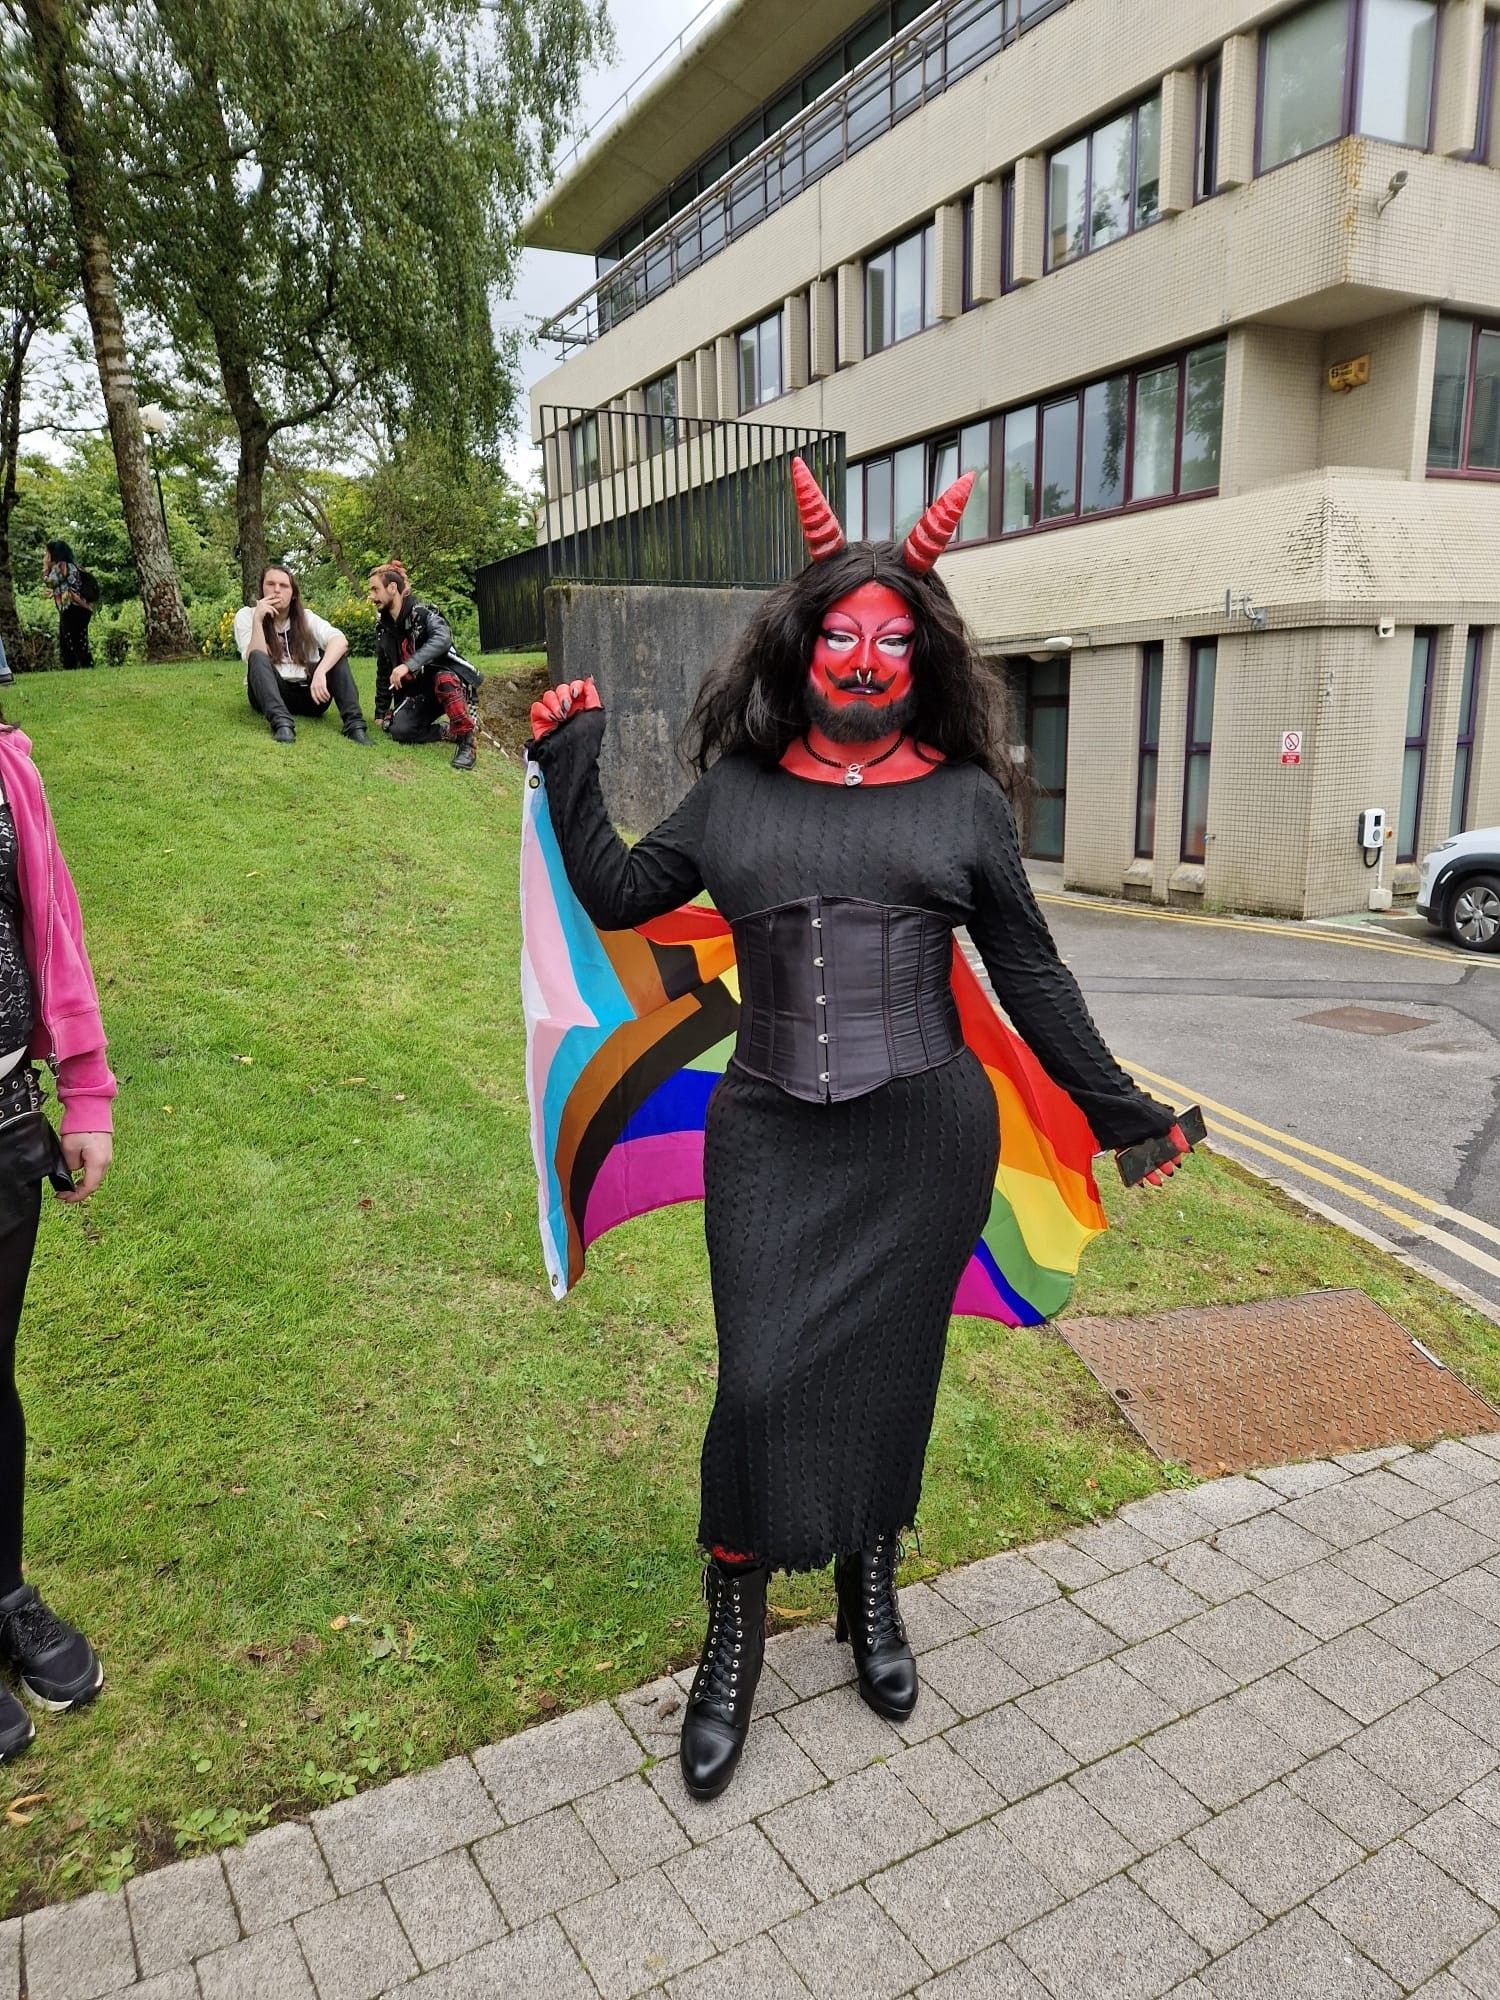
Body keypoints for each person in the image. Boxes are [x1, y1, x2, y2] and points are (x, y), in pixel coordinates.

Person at [527, 461, 1190, 1802]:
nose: (867, 657)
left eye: (895, 635)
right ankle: (733, 1633)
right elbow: (618, 893)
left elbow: (1032, 976)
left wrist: (1120, 1113)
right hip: (769, 1132)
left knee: (894, 1380)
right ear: (800, 641)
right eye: (842, 631)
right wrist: (569, 753)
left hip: (921, 1140)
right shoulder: (738, 793)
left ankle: (871, 1592)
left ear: (924, 651)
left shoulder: (964, 803)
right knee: (760, 1387)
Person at [0, 712, 115, 1761]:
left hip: (3, 1124)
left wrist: (82, 1097)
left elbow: (52, 930)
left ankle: (5, 1590)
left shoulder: (6, 765)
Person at [233, 565, 369, 745]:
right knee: (257, 656)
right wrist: (258, 620)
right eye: (270, 584)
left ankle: (355, 726)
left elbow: (340, 640)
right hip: (269, 693)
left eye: (283, 585)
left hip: (311, 695)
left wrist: (320, 672)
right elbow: (251, 656)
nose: (276, 590)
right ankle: (282, 725)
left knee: (337, 656)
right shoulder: (246, 616)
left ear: (293, 593)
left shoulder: (306, 618)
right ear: (262, 588)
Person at [367, 568, 483, 771]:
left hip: (449, 683)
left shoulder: (424, 612)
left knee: (444, 678)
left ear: (392, 588)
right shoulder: (383, 627)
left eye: (375, 590)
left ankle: (467, 742)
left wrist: (408, 665)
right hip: (418, 692)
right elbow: (384, 669)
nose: (371, 596)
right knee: (399, 730)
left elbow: (443, 638)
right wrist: (380, 711)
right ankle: (448, 732)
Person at [41, 542, 94, 672]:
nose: (45, 556)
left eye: (47, 553)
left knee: (69, 642)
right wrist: (55, 593)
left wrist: (45, 569)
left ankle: (74, 668)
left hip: (72, 609)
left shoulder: (60, 566)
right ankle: (86, 666)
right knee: (79, 641)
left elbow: (50, 582)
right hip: (81, 609)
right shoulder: (71, 566)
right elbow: (67, 587)